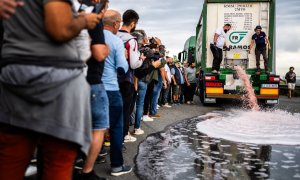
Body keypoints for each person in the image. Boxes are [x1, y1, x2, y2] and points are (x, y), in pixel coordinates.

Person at [0, 0, 102, 179]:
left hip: (15, 76)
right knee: (58, 163)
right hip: (59, 81)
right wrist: (84, 21)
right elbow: (60, 29)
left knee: (11, 158)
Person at [78, 1, 110, 179]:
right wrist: (105, 48)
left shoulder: (67, 11)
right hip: (92, 81)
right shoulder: (93, 17)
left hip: (70, 79)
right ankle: (87, 171)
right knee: (99, 127)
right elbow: (98, 52)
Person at [102, 9, 132, 176]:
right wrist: (125, 57)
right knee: (116, 127)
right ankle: (116, 166)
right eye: (119, 22)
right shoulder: (116, 41)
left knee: (93, 125)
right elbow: (122, 68)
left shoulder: (90, 36)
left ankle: (89, 157)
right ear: (115, 24)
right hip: (111, 89)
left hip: (89, 87)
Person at [117, 9, 143, 140]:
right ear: (133, 23)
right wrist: (141, 59)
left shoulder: (113, 35)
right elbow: (133, 64)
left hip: (110, 78)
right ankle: (120, 140)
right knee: (124, 112)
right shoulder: (131, 40)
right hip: (126, 79)